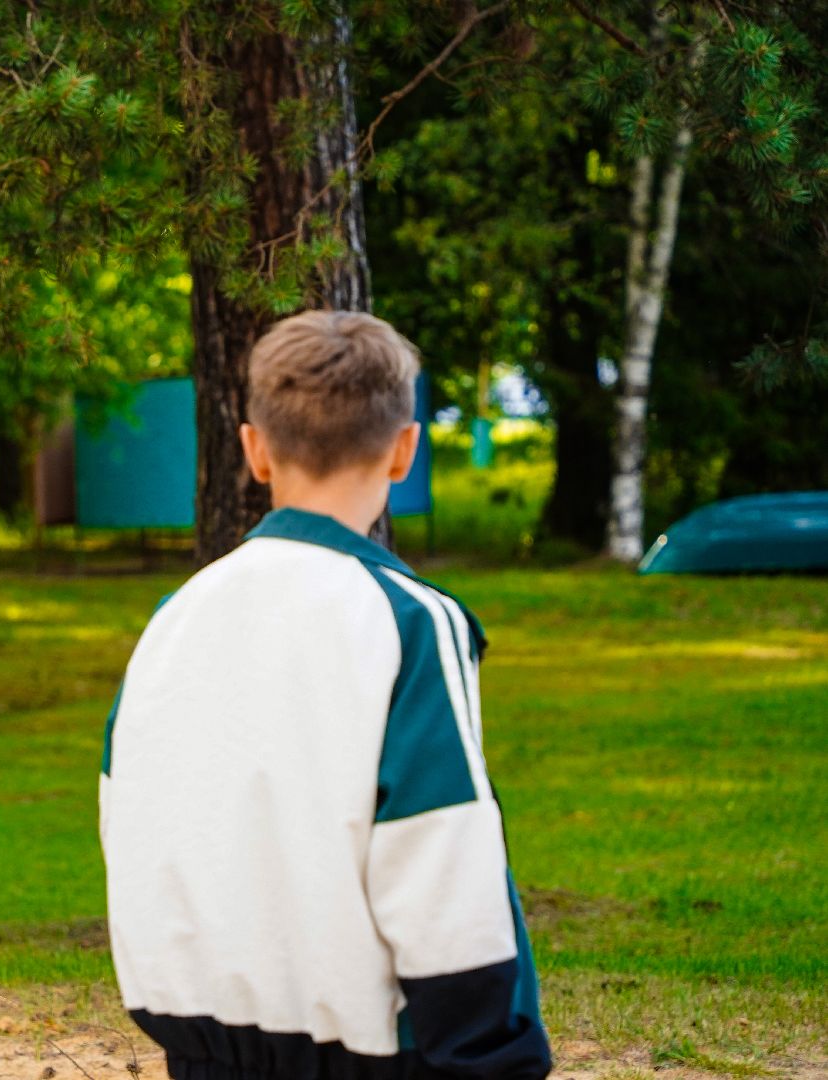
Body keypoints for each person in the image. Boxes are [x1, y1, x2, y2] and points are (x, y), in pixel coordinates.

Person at [99, 311, 550, 1080]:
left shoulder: (174, 619)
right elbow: (440, 845)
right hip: (371, 1054)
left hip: (199, 1042)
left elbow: (132, 819)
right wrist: (491, 1050)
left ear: (253, 450)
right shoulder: (412, 620)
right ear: (406, 449)